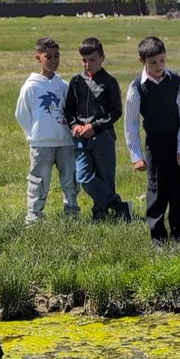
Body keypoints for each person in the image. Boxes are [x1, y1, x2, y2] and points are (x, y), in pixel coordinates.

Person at [124, 36, 180, 245]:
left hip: (175, 144)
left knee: (178, 191)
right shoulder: (137, 88)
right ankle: (158, 238)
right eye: (153, 62)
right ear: (142, 62)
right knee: (156, 189)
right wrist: (136, 155)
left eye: (162, 60)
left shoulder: (178, 83)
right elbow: (131, 123)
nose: (158, 66)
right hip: (154, 145)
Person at [64, 37, 131, 221]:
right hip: (80, 139)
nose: (88, 64)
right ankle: (119, 206)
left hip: (103, 136)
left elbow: (116, 111)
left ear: (102, 58)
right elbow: (68, 109)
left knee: (105, 177)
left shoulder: (109, 82)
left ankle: (100, 214)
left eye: (92, 59)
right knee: (84, 177)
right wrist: (75, 125)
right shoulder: (76, 81)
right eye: (84, 60)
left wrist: (94, 126)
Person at [14, 37, 79, 225]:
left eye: (56, 56)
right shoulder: (31, 86)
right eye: (48, 56)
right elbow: (21, 114)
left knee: (70, 179)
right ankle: (34, 217)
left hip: (65, 142)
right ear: (38, 57)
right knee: (38, 180)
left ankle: (71, 212)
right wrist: (33, 134)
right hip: (41, 144)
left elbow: (70, 112)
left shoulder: (64, 86)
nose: (53, 61)